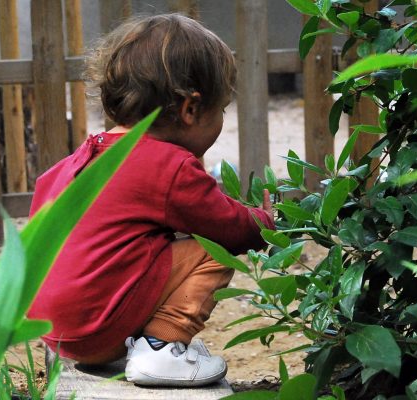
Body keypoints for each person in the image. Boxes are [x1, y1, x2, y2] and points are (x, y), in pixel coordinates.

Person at [27, 14, 274, 387]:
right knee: (212, 249)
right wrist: (266, 223)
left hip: (55, 330)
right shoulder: (167, 167)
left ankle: (143, 342)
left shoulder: (72, 164)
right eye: (221, 109)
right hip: (97, 330)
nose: (222, 119)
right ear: (191, 109)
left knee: (150, 245)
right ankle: (161, 349)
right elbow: (228, 226)